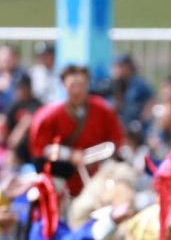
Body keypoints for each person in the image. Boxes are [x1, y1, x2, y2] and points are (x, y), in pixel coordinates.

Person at [28, 64, 126, 193]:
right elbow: (39, 149)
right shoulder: (48, 116)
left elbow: (115, 141)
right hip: (63, 177)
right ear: (64, 86)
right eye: (72, 86)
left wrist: (96, 158)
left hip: (97, 173)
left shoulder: (103, 110)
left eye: (81, 85)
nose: (77, 91)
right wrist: (70, 155)